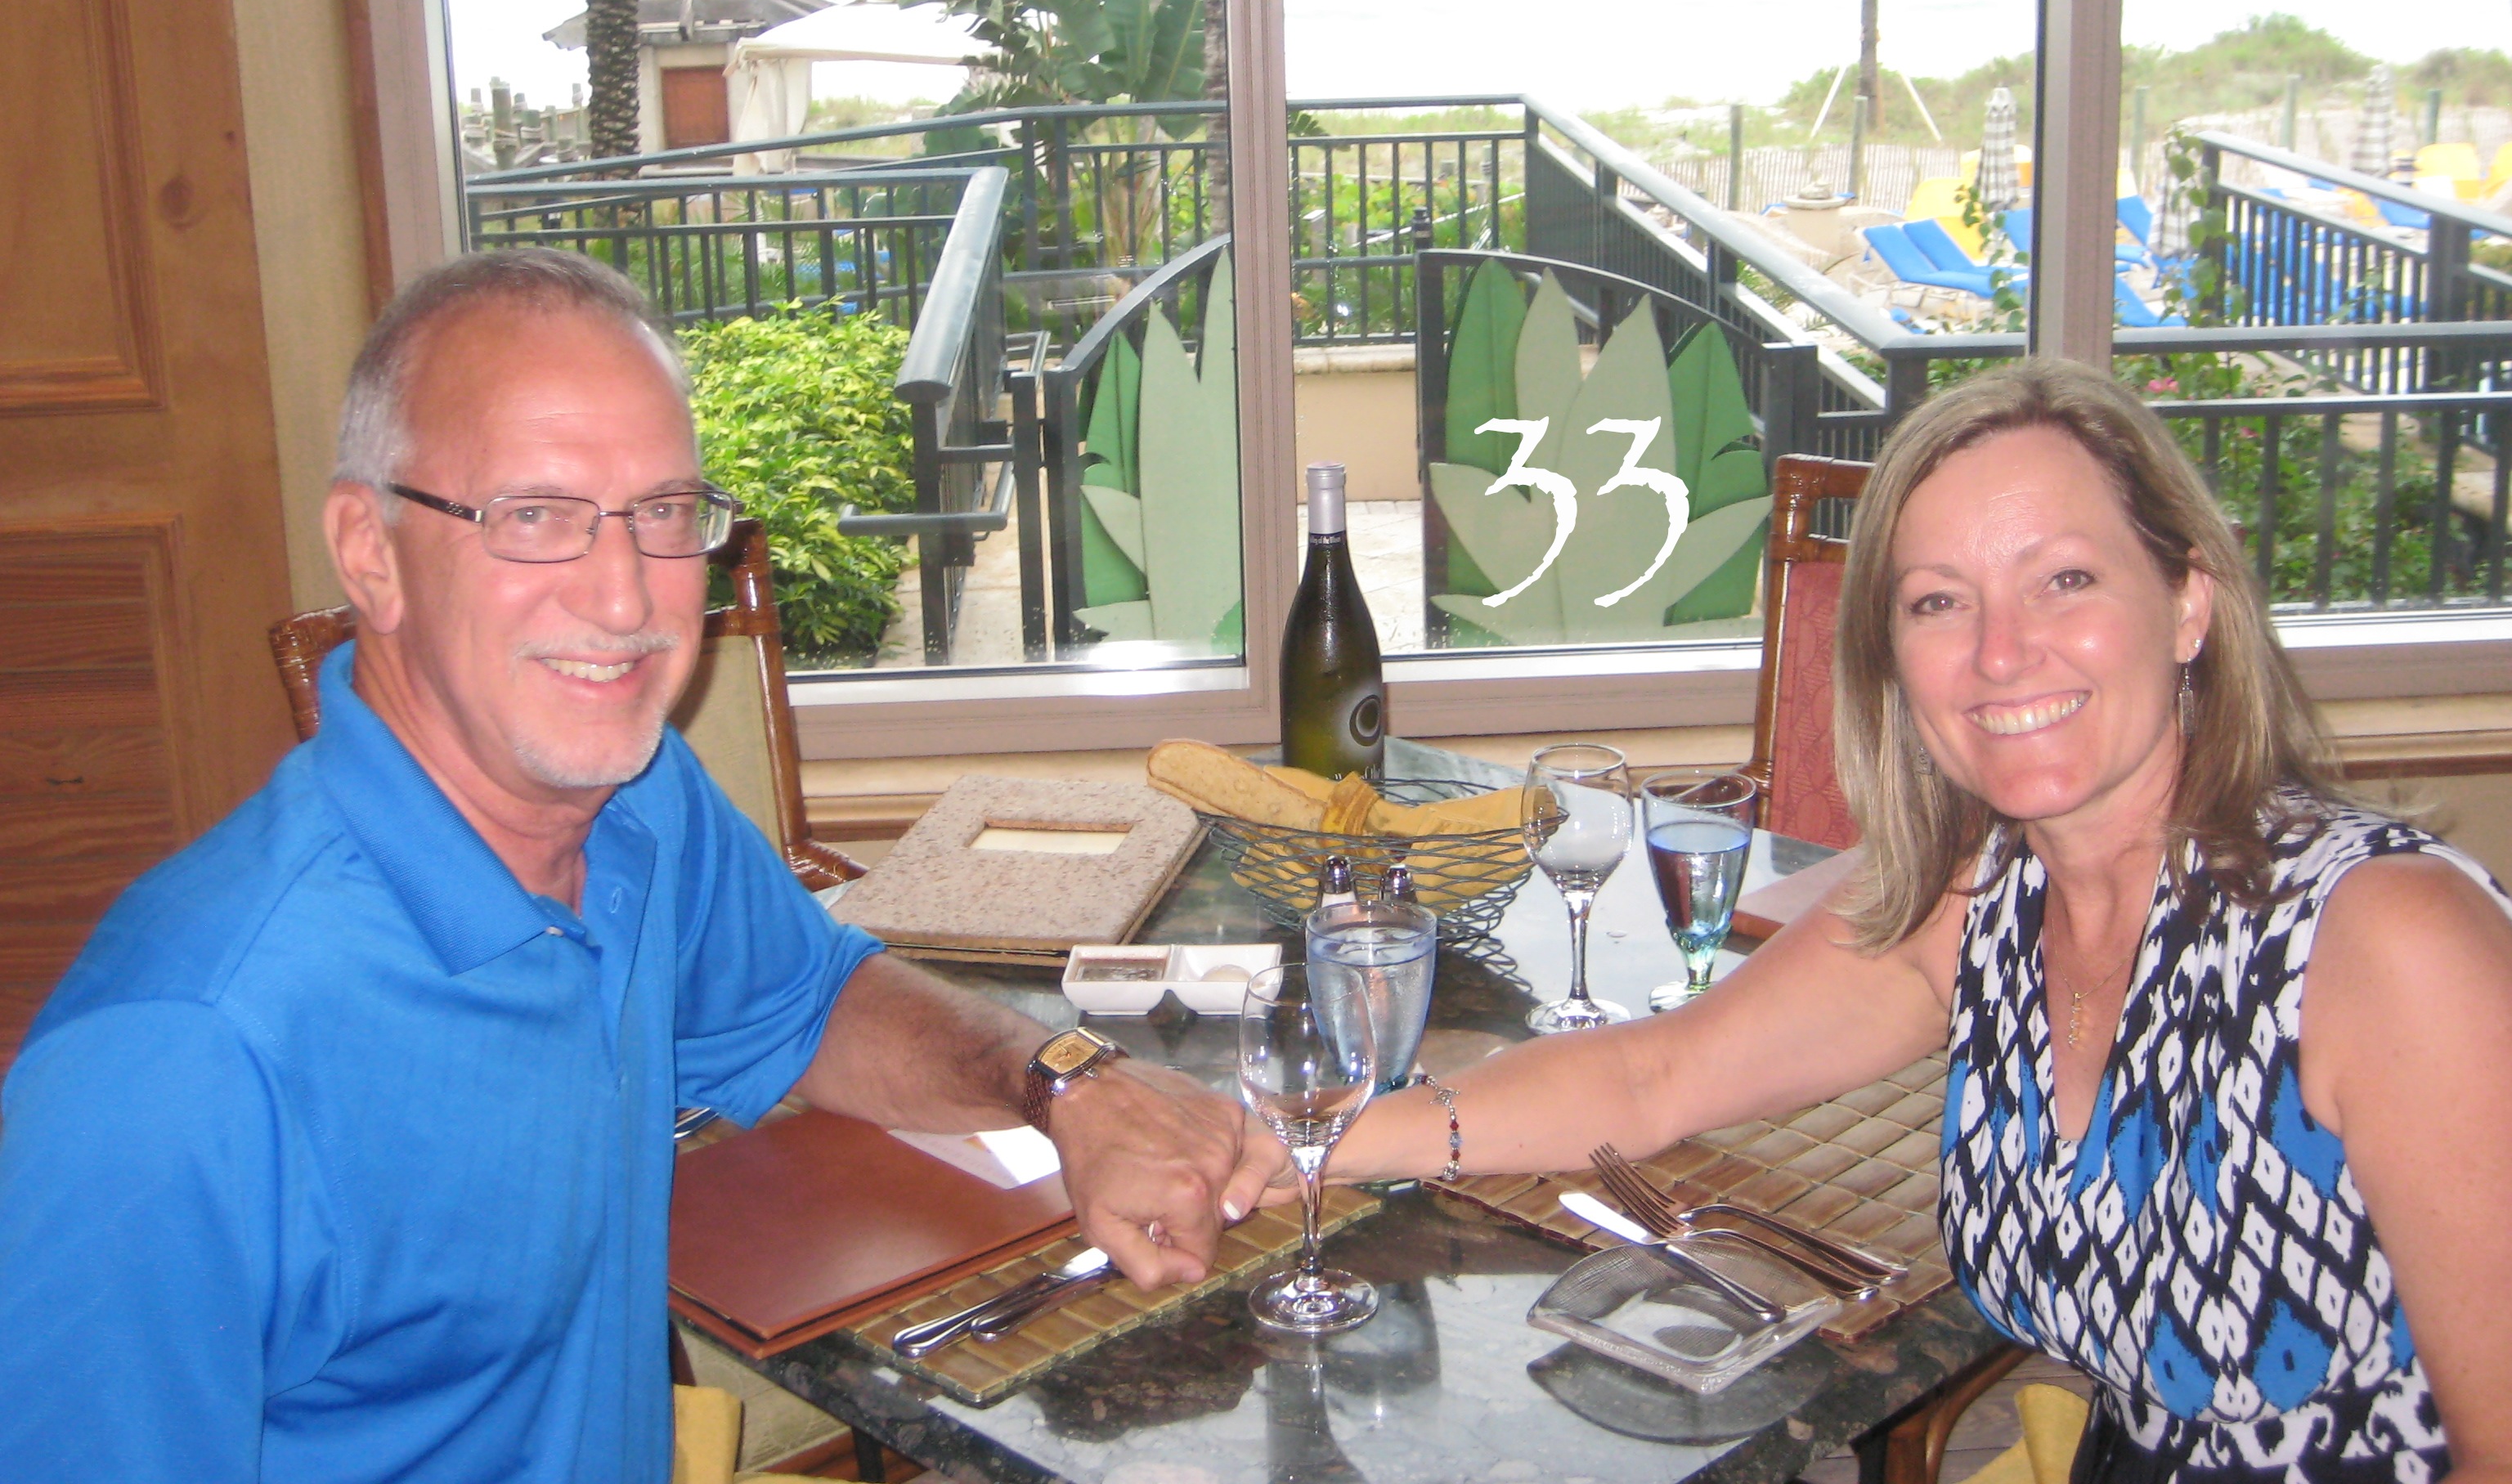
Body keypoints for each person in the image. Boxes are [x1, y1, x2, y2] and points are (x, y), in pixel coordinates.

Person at [0, 250, 1273, 1483]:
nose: (626, 601)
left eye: (663, 513)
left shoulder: (634, 802)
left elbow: (810, 1001)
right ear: (370, 551)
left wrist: (1068, 1087)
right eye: (534, 516)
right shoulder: (180, 1064)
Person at [1328, 359, 2512, 1483]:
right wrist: (1308, 1145)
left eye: (2066, 580)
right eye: (1941, 601)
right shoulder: (1984, 896)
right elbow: (1656, 1076)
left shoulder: (2382, 942)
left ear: (2188, 602)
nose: (2001, 653)